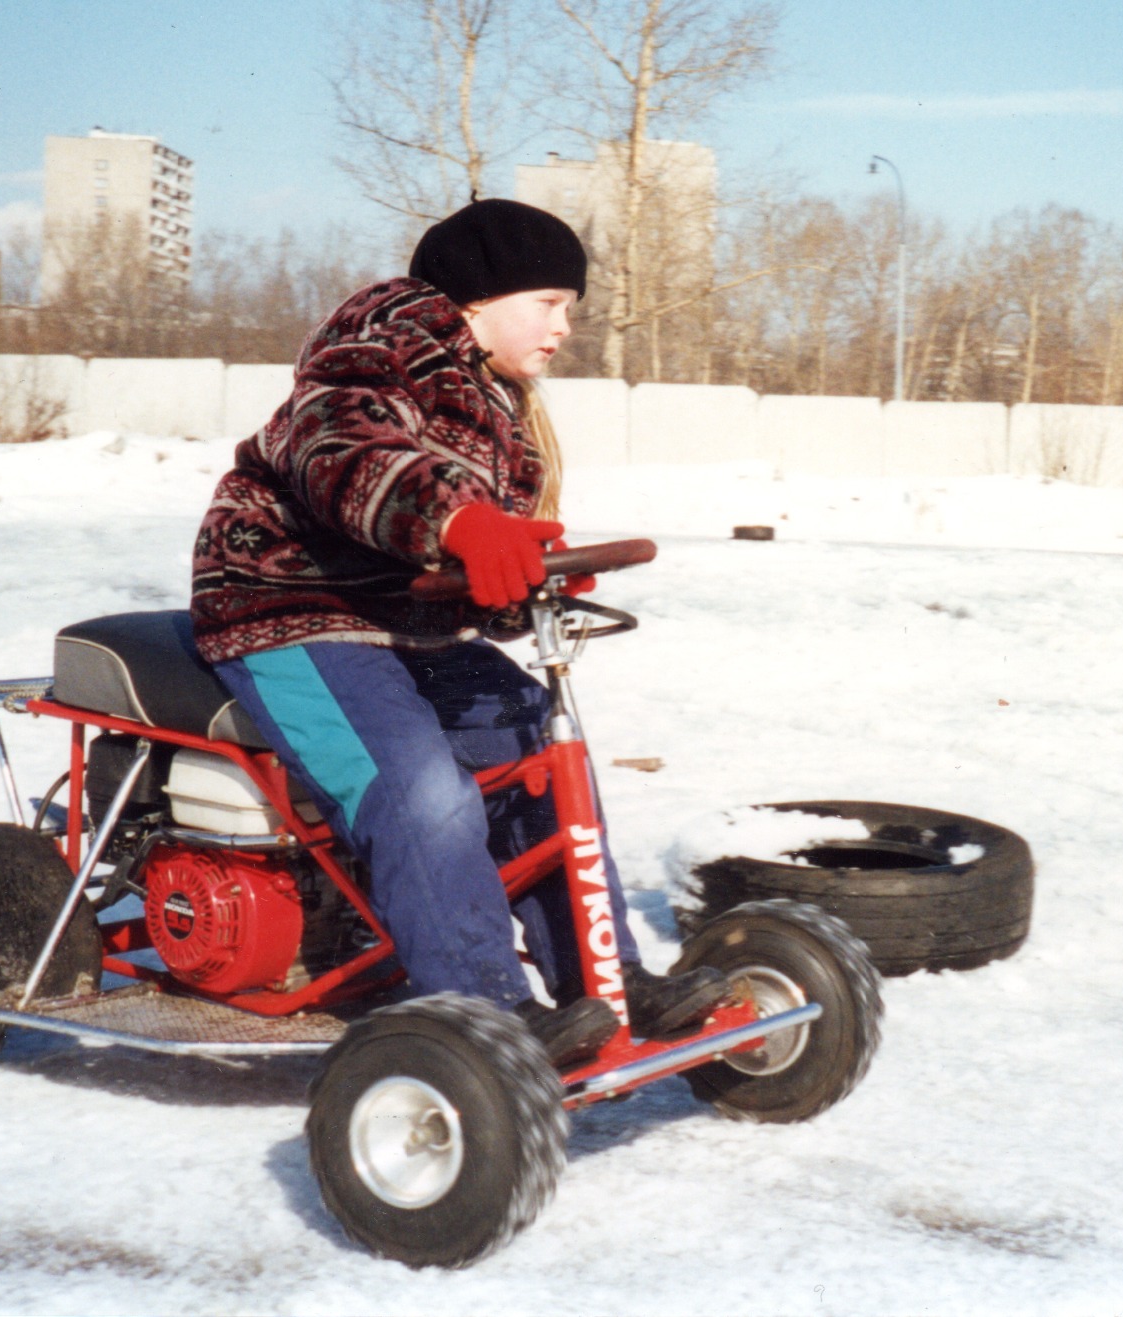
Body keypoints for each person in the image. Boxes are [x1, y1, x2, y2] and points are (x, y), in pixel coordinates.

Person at [190, 199, 726, 1065]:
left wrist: (524, 579)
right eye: (550, 302)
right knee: (420, 791)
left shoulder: (500, 406)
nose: (563, 329)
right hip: (288, 608)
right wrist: (462, 523)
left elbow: (464, 555)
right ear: (479, 298)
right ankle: (481, 1011)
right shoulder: (379, 343)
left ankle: (606, 983)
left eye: (570, 311)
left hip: (406, 624)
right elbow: (345, 449)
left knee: (539, 755)